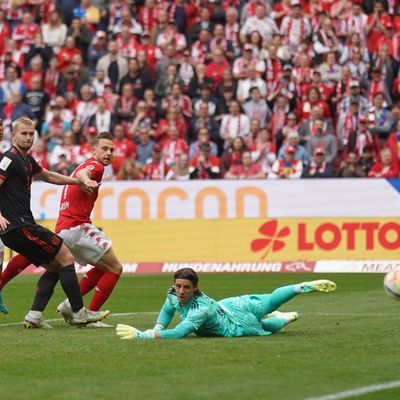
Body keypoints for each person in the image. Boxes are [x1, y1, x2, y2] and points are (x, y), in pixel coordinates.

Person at [0, 117, 109, 327]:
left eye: (31, 134)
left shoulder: (27, 161)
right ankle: (79, 314)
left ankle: (35, 315)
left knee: (57, 266)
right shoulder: (9, 159)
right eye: (24, 133)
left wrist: (77, 181)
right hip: (19, 226)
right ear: (13, 136)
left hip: (19, 227)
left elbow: (49, 176)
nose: (28, 137)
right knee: (66, 256)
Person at [116, 268, 336, 340]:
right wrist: (157, 327)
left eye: (186, 287)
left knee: (265, 316)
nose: (181, 291)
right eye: (178, 286)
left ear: (195, 288)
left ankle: (301, 289)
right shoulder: (173, 294)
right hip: (229, 305)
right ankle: (285, 314)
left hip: (235, 325)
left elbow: (180, 332)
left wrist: (144, 335)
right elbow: (166, 310)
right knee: (267, 304)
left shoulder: (200, 309)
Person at [55, 132, 124, 325]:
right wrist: (85, 180)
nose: (109, 152)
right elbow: (82, 175)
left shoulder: (84, 164)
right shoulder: (95, 166)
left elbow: (79, 173)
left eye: (112, 149)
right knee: (115, 268)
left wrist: (83, 179)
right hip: (77, 227)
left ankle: (70, 305)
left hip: (64, 229)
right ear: (93, 150)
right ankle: (90, 314)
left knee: (102, 266)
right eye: (104, 148)